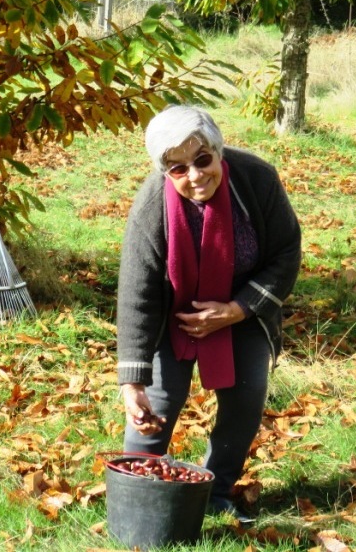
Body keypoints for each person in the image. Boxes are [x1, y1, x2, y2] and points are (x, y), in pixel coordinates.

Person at [116, 105, 301, 523]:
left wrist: (237, 310)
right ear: (165, 172)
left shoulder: (256, 179)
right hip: (174, 316)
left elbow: (286, 253)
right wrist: (132, 381)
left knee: (246, 399)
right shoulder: (151, 207)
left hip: (241, 309)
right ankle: (138, 495)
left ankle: (216, 492)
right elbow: (137, 294)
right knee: (155, 405)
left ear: (219, 151)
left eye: (202, 159)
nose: (195, 175)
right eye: (178, 168)